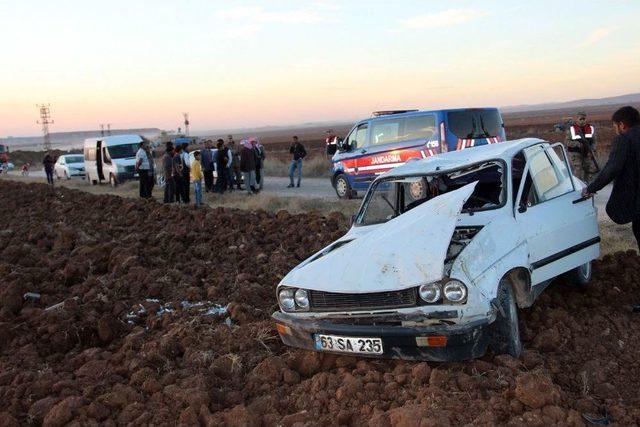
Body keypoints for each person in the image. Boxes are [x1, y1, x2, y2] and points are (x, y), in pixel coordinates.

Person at [583, 106, 640, 249]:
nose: (615, 129)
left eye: (615, 126)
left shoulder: (624, 140)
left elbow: (612, 168)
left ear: (622, 125)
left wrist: (591, 188)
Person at [566, 111, 598, 182]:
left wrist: (592, 149)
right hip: (575, 153)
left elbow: (594, 141)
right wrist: (578, 144)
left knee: (588, 170)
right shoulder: (571, 129)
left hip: (587, 152)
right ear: (577, 119)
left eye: (584, 119)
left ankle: (588, 188)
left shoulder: (590, 128)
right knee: (578, 170)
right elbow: (568, 142)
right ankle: (578, 188)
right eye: (580, 119)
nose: (582, 121)